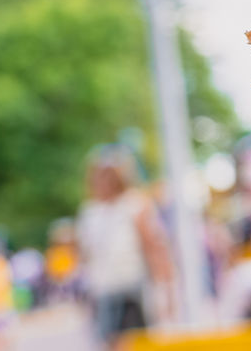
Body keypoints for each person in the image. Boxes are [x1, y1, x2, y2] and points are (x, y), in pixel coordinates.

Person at [76, 146, 173, 350]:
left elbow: (154, 248)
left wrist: (165, 289)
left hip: (132, 287)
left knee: (134, 342)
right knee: (110, 341)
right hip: (103, 288)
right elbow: (86, 255)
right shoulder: (90, 212)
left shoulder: (135, 204)